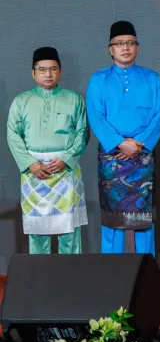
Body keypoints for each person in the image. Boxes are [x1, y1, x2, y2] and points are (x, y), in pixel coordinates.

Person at [86, 20, 160, 255]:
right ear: (110, 49)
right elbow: (96, 116)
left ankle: (146, 270)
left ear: (137, 47)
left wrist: (139, 144)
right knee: (113, 219)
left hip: (143, 155)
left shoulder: (152, 78)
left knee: (144, 218)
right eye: (119, 43)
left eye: (130, 43)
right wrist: (120, 143)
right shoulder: (99, 79)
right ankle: (111, 272)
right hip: (112, 156)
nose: (125, 47)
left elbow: (159, 115)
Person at [6, 47, 90, 254]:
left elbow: (82, 132)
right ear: (33, 73)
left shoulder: (74, 99)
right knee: (37, 231)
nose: (48, 74)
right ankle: (39, 273)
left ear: (60, 71)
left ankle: (70, 272)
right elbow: (13, 136)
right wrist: (31, 164)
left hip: (66, 170)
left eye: (53, 69)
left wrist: (66, 158)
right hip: (34, 172)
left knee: (69, 229)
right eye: (42, 70)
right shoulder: (21, 101)